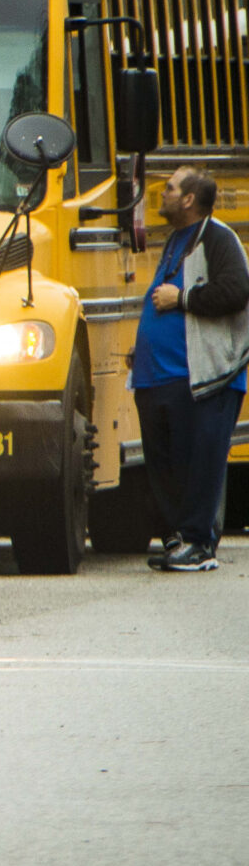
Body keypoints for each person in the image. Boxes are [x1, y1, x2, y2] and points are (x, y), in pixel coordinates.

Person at [133, 166, 249, 571]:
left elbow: (236, 291)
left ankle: (199, 543)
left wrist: (182, 299)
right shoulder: (174, 241)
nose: (159, 194)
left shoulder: (218, 238)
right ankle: (178, 539)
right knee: (166, 463)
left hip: (204, 376)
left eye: (168, 189)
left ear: (187, 200)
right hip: (158, 377)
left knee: (202, 461)